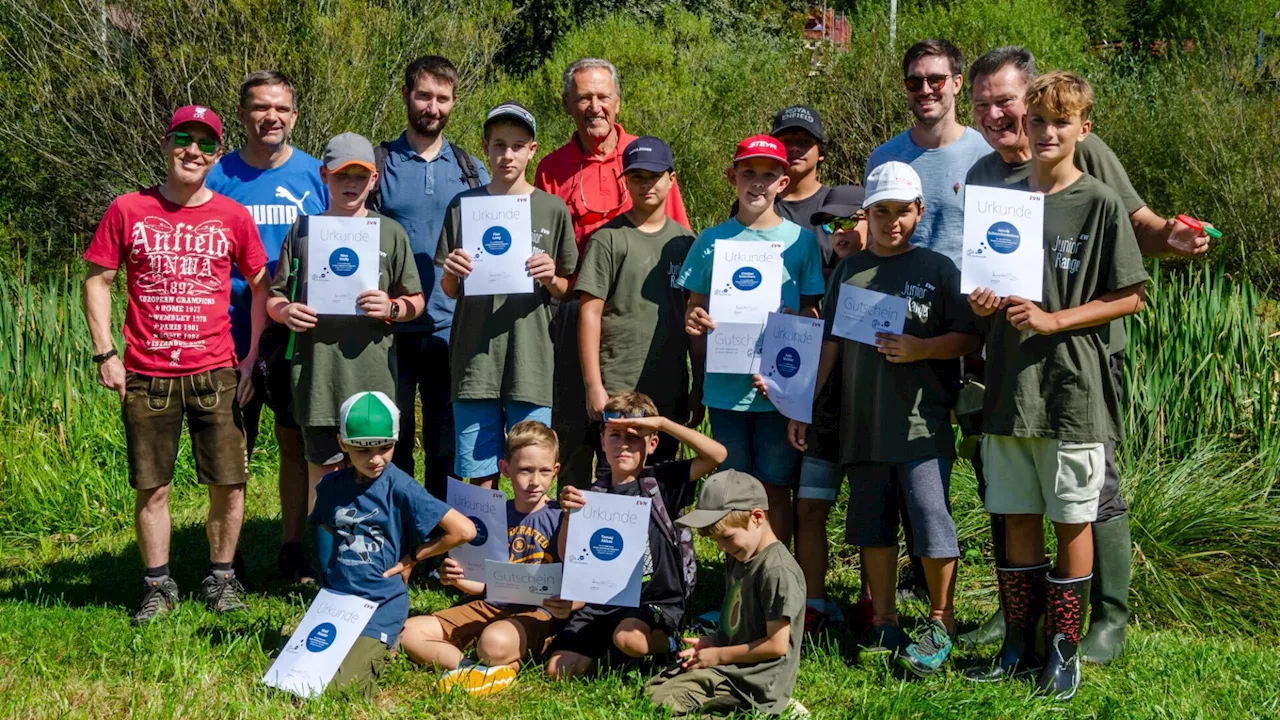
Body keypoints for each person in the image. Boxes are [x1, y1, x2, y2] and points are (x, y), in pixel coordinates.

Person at [959, 46, 1215, 659]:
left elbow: (1138, 229)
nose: (999, 116)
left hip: (1083, 357)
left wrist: (1173, 239)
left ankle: (1106, 619)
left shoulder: (1087, 158)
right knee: (1015, 485)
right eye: (984, 105)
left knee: (1091, 489)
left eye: (1006, 102)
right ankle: (1019, 614)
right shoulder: (985, 175)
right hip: (1014, 358)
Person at [964, 72, 1148, 701]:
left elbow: (1130, 297)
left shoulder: (1097, 200)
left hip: (1071, 387)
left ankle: (1064, 652)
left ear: (1083, 130)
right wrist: (984, 302)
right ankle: (1020, 644)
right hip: (1009, 387)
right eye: (1037, 121)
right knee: (1015, 517)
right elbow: (982, 286)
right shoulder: (1000, 196)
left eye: (1060, 123)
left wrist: (1054, 320)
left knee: (1073, 520)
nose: (1046, 133)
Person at [786, 161, 978, 676]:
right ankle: (885, 620)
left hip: (920, 424)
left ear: (920, 212)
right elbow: (830, 341)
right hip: (862, 424)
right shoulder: (852, 270)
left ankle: (942, 620)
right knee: (871, 527)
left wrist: (922, 349)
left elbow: (968, 337)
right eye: (882, 211)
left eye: (903, 211)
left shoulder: (938, 269)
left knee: (930, 520)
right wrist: (806, 401)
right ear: (866, 214)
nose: (893, 221)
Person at [83, 105, 269, 624]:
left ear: (216, 154)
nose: (193, 151)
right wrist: (106, 353)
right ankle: (157, 586)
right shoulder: (127, 209)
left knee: (230, 484)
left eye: (206, 144)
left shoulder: (233, 216)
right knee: (153, 485)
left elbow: (260, 286)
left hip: (218, 370)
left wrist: (252, 356)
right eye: (184, 139)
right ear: (166, 145)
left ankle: (222, 579)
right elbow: (97, 280)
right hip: (147, 372)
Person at [866, 37, 990, 604]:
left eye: (936, 78)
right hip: (904, 333)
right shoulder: (886, 156)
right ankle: (916, 585)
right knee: (912, 458)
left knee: (988, 462)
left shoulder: (986, 153)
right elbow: (873, 236)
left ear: (958, 83)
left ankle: (1007, 586)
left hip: (980, 329)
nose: (925, 90)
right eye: (915, 81)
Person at [534, 58, 691, 490]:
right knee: (576, 428)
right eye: (584, 97)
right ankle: (576, 522)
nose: (594, 106)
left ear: (618, 103)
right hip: (572, 309)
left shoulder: (646, 157)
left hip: (637, 311)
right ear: (568, 104)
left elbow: (679, 245)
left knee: (637, 438)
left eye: (603, 97)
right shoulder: (552, 166)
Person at [205, 70, 328, 584]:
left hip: (296, 330)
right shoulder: (216, 176)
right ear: (242, 115)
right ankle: (225, 562)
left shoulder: (317, 175)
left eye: (280, 108)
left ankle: (292, 547)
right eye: (259, 107)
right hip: (226, 328)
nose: (270, 116)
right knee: (233, 447)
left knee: (294, 441)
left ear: (294, 116)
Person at [680, 134, 825, 549]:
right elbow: (694, 308)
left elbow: (813, 314)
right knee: (732, 493)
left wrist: (797, 322)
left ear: (784, 180)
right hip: (725, 391)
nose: (758, 183)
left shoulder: (801, 242)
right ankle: (737, 588)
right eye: (749, 173)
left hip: (778, 391)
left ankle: (775, 575)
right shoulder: (711, 241)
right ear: (732, 177)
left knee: (776, 488)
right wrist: (695, 318)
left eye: (769, 174)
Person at [267, 133, 425, 510]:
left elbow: (416, 300)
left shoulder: (390, 231)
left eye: (360, 175)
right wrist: (286, 312)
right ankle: (326, 559)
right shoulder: (303, 231)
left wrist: (392, 308)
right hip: (319, 376)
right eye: (341, 176)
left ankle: (372, 556)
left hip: (372, 377)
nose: (351, 184)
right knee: (323, 474)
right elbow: (274, 298)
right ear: (324, 175)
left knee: (374, 471)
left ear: (374, 179)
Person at [436, 102, 576, 489]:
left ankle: (527, 546)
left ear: (533, 149)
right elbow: (449, 291)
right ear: (486, 146)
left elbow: (566, 289)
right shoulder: (464, 206)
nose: (507, 155)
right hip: (475, 359)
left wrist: (551, 278)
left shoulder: (552, 208)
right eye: (499, 144)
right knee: (478, 472)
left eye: (517, 145)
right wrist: (452, 272)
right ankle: (482, 547)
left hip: (530, 360)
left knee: (531, 470)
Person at [546, 392, 727, 678]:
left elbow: (717, 455)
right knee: (559, 671)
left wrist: (663, 423)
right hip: (601, 601)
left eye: (634, 437)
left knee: (629, 639)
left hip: (655, 601)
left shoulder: (662, 482)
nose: (624, 445)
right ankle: (607, 648)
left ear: (652, 443)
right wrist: (569, 515)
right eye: (615, 435)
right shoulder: (590, 495)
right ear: (603, 440)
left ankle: (665, 643)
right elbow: (567, 553)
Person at [309, 391, 476, 698]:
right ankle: (387, 645)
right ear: (342, 443)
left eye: (384, 447)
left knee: (342, 692)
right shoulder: (331, 487)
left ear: (396, 442)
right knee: (300, 677)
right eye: (362, 450)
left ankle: (388, 644)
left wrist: (413, 558)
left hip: (380, 602)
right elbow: (323, 524)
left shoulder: (400, 485)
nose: (375, 458)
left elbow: (463, 530)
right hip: (338, 602)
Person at [375, 55, 490, 501]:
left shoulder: (470, 169)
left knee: (447, 443)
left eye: (443, 98)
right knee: (393, 439)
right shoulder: (379, 163)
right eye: (424, 95)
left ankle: (442, 538)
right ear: (406, 96)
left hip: (452, 327)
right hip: (390, 329)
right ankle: (401, 527)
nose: (433, 107)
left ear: (454, 102)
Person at [401, 420, 567, 696]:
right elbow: (485, 586)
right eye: (525, 470)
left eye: (544, 471)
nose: (534, 481)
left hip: (538, 612)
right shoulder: (491, 514)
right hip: (491, 605)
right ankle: (474, 671)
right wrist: (457, 579)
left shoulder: (561, 517)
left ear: (555, 472)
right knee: (408, 632)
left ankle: (498, 659)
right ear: (505, 469)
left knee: (492, 644)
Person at [576, 136, 700, 462]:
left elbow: (696, 317)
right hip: (618, 388)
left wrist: (698, 385)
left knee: (661, 489)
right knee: (618, 483)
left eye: (655, 176)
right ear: (625, 181)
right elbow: (589, 314)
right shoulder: (607, 239)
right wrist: (594, 386)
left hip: (670, 387)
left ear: (672, 179)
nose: (647, 185)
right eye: (637, 177)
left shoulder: (687, 242)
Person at [645, 470, 807, 718]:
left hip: (754, 681)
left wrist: (718, 656)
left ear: (757, 517)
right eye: (716, 540)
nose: (722, 547)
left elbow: (776, 645)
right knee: (652, 689)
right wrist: (714, 641)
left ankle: (772, 708)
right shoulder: (739, 555)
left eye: (727, 537)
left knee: (664, 704)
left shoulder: (777, 571)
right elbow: (739, 622)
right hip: (732, 666)